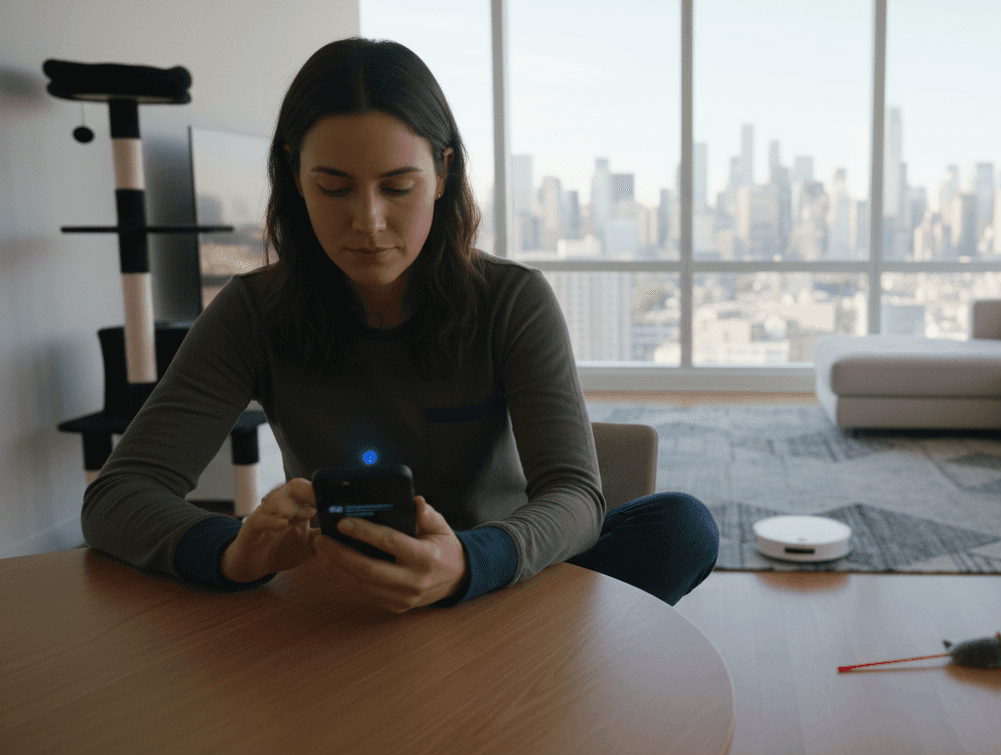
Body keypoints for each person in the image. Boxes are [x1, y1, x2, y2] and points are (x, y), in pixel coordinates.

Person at [81, 37, 719, 611]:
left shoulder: (511, 299)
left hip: (497, 583)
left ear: (441, 174)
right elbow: (117, 495)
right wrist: (231, 551)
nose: (368, 222)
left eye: (397, 187)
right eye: (334, 188)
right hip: (348, 591)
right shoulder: (253, 312)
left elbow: (576, 495)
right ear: (295, 176)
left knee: (681, 526)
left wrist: (468, 562)